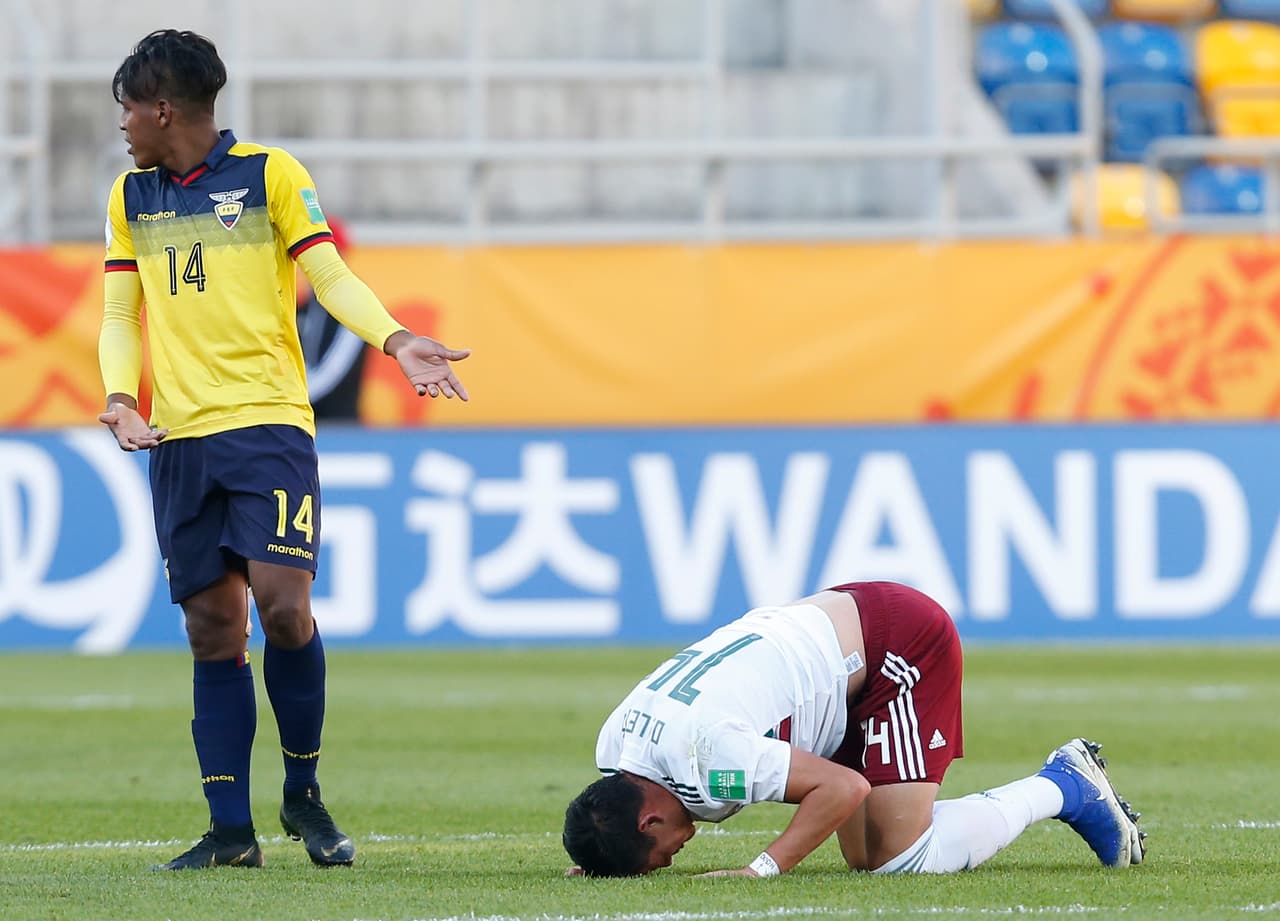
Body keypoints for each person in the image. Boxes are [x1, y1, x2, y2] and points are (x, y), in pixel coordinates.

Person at [97, 29, 470, 871]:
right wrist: (121, 398)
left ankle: (302, 792)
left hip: (267, 425)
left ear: (164, 109)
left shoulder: (269, 175)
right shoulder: (130, 196)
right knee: (211, 626)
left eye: (129, 107)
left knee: (283, 607)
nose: (122, 123)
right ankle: (231, 832)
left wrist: (396, 338)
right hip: (180, 436)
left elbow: (328, 275)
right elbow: (122, 312)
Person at [563, 581, 1146, 878]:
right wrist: (604, 854)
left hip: (893, 644)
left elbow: (844, 787)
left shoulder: (711, 757)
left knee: (900, 858)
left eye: (655, 858)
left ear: (649, 821)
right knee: (865, 854)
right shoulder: (616, 746)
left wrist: (762, 869)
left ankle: (1063, 786)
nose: (668, 862)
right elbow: (606, 808)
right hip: (832, 640)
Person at [296, 217, 367, 421]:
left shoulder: (355, 309)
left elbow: (332, 371)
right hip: (301, 422)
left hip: (339, 425)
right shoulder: (301, 307)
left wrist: (289, 398)